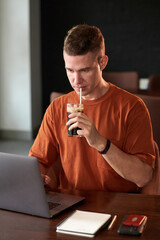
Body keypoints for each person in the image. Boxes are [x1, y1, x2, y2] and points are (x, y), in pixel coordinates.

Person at [29, 24, 155, 193]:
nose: (76, 80)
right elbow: (38, 160)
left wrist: (101, 143)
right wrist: (39, 177)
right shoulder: (57, 107)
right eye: (70, 70)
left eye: (84, 70)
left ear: (102, 63)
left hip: (119, 205)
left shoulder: (132, 107)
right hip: (71, 205)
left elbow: (143, 177)